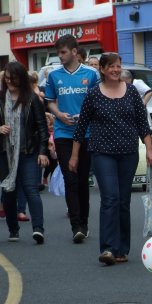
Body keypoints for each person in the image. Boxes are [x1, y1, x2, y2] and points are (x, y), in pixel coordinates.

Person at [73, 52, 152, 265]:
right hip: (102, 153)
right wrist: (74, 156)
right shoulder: (93, 94)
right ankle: (108, 249)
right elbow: (81, 127)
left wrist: (149, 149)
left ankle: (121, 249)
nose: (115, 70)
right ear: (102, 69)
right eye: (111, 66)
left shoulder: (131, 92)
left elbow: (142, 123)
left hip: (128, 153)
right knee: (110, 198)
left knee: (123, 201)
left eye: (118, 66)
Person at [0, 61, 50, 244]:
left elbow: (42, 128)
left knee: (31, 189)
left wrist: (43, 152)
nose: (10, 82)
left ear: (21, 78)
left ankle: (38, 229)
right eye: (7, 79)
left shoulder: (32, 98)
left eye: (13, 79)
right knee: (8, 190)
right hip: (4, 151)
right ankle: (13, 229)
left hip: (28, 151)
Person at [45, 34, 99, 243]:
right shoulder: (53, 75)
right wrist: (59, 115)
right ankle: (75, 226)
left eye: (63, 52)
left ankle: (84, 223)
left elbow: (98, 100)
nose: (60, 56)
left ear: (74, 52)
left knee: (83, 180)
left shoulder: (91, 74)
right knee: (70, 178)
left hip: (86, 133)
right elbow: (50, 101)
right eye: (58, 52)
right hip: (63, 133)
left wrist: (86, 116)